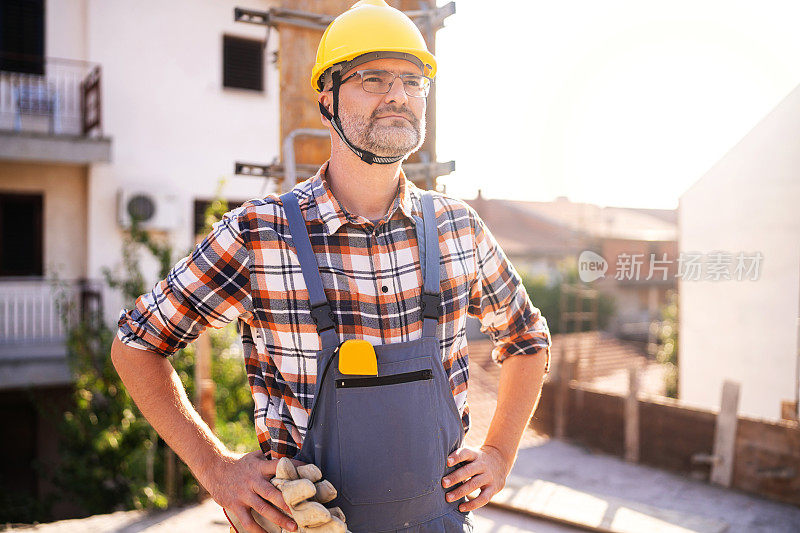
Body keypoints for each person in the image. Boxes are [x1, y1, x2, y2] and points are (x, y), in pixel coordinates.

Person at [111, 1, 552, 531]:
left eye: (413, 82)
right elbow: (137, 343)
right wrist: (216, 469)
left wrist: (501, 454)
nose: (397, 94)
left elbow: (527, 338)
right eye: (373, 78)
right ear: (326, 101)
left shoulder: (458, 228)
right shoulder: (259, 234)